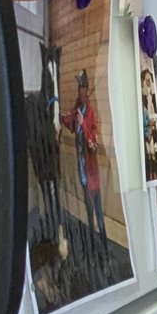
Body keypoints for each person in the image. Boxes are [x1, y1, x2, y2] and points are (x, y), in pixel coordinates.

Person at [58, 70, 107, 252]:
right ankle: (93, 249)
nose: (79, 92)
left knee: (98, 214)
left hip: (92, 175)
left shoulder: (90, 115)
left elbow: (93, 145)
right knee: (88, 213)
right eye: (78, 88)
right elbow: (68, 119)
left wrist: (84, 124)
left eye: (82, 88)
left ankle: (104, 250)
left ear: (86, 90)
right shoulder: (78, 109)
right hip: (83, 175)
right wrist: (57, 112)